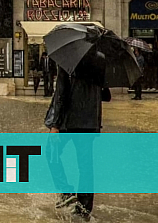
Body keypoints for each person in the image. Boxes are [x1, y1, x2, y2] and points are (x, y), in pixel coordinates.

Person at [45, 50, 111, 221]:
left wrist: (55, 124)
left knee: (50, 153)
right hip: (90, 123)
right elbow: (106, 95)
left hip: (69, 121)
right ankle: (84, 209)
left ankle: (66, 191)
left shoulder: (67, 58)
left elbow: (61, 94)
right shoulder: (100, 61)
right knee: (86, 166)